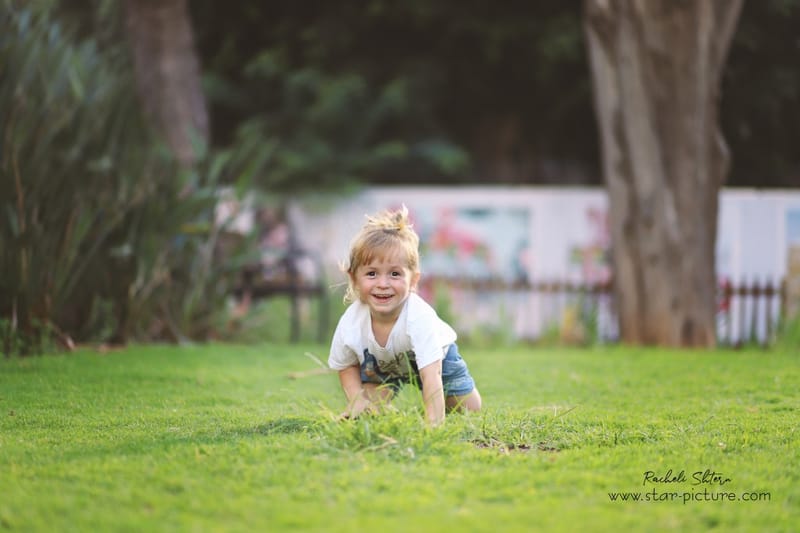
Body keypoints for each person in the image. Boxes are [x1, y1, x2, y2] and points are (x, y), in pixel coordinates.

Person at [328, 206, 482, 426]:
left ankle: (449, 406)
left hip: (437, 360)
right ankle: (372, 408)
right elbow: (346, 365)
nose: (383, 284)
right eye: (371, 274)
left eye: (395, 274)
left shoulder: (419, 317)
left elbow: (431, 374)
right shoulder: (351, 322)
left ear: (413, 280)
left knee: (468, 409)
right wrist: (356, 400)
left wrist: (433, 424)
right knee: (370, 413)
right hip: (384, 364)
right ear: (354, 279)